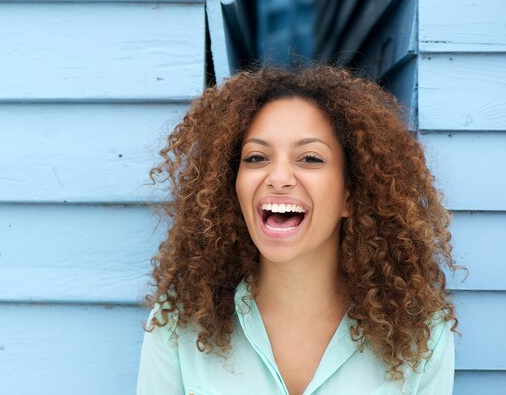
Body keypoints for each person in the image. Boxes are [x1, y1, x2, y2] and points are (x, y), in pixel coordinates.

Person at [136, 64, 460, 395]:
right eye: (256, 157)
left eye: (309, 158)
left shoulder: (421, 334)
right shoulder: (178, 323)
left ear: (351, 194)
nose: (278, 177)